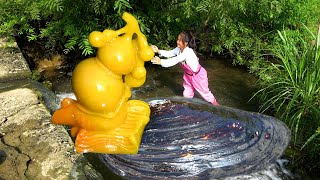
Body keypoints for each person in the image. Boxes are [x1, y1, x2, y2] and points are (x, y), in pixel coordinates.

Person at [150, 31, 219, 106]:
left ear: (185, 43)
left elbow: (174, 60)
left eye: (179, 40)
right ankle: (188, 107)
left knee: (205, 94)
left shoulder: (188, 52)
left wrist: (161, 62)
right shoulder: (178, 49)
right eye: (177, 39)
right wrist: (158, 51)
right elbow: (170, 53)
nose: (177, 42)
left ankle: (216, 105)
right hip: (188, 75)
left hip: (198, 76)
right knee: (186, 94)